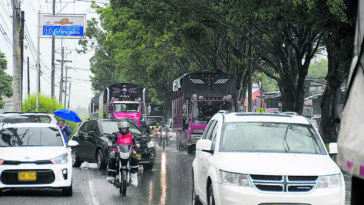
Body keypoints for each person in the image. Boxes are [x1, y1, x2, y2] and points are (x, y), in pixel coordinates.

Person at [106, 120, 140, 187]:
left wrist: (137, 143)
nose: (123, 130)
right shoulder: (116, 134)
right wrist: (110, 142)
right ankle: (111, 175)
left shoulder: (131, 134)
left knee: (135, 158)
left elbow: (135, 140)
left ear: (127, 128)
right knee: (112, 157)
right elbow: (112, 139)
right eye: (122, 128)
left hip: (129, 150)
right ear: (120, 128)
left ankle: (133, 176)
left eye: (124, 128)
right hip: (118, 150)